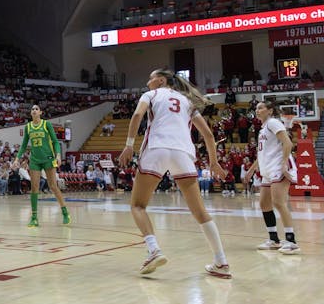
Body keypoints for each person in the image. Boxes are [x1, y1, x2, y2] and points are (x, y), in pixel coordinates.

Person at [118, 69, 231, 278]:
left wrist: (129, 145)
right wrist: (213, 162)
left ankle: (154, 250)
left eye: (150, 78)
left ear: (161, 80)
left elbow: (136, 115)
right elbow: (207, 134)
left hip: (157, 148)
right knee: (200, 212)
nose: (147, 81)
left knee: (138, 205)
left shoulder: (151, 95)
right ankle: (221, 262)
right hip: (183, 153)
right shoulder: (188, 102)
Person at [243, 101, 301, 254]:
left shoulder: (273, 123)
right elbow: (261, 154)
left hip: (278, 167)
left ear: (270, 111)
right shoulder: (262, 129)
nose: (257, 110)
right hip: (267, 170)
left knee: (279, 203)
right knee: (264, 204)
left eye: (261, 108)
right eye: (256, 108)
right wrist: (251, 170)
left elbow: (288, 143)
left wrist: (283, 163)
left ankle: (291, 240)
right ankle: (274, 239)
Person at [14, 105, 70, 227]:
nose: (34, 110)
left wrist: (58, 155)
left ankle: (65, 212)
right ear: (31, 113)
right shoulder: (28, 126)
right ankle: (34, 217)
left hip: (48, 158)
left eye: (36, 109)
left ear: (40, 112)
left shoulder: (46, 124)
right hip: (34, 160)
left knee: (53, 186)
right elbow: (23, 145)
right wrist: (17, 159)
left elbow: (55, 141)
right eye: (32, 109)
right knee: (34, 188)